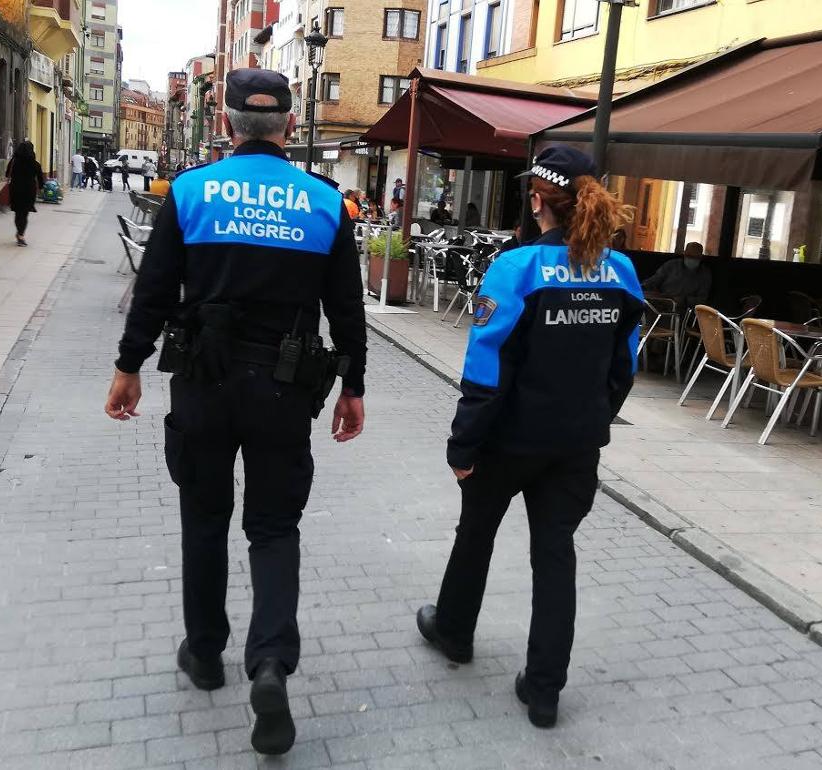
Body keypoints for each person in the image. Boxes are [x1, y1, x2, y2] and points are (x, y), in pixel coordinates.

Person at [104, 68, 367, 757]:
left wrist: (129, 366)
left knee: (204, 518)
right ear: (288, 124)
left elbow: (154, 290)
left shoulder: (189, 193)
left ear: (224, 124)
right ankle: (272, 662)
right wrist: (353, 385)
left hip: (203, 380)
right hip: (285, 387)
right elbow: (347, 308)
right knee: (274, 527)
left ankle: (205, 651)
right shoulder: (324, 204)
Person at [416, 145, 644, 729]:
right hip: (575, 447)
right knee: (556, 556)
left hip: (508, 444)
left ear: (538, 199)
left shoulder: (516, 267)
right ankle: (544, 689)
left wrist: (464, 444)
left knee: (476, 537)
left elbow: (487, 368)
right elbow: (625, 365)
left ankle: (454, 632)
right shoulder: (619, 271)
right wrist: (594, 416)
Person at [642, 241, 712, 307]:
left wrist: (684, 300)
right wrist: (643, 287)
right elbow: (654, 280)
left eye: (695, 257)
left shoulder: (704, 274)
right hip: (662, 302)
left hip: (685, 309)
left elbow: (702, 299)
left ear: (701, 257)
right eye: (689, 256)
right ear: (684, 253)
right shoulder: (671, 265)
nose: (692, 259)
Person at [5, 140, 44, 247]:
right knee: (25, 214)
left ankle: (19, 233)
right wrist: (40, 188)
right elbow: (41, 180)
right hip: (29, 191)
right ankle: (21, 235)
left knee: (18, 213)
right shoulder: (35, 164)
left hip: (15, 190)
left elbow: (7, 174)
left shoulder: (14, 162)